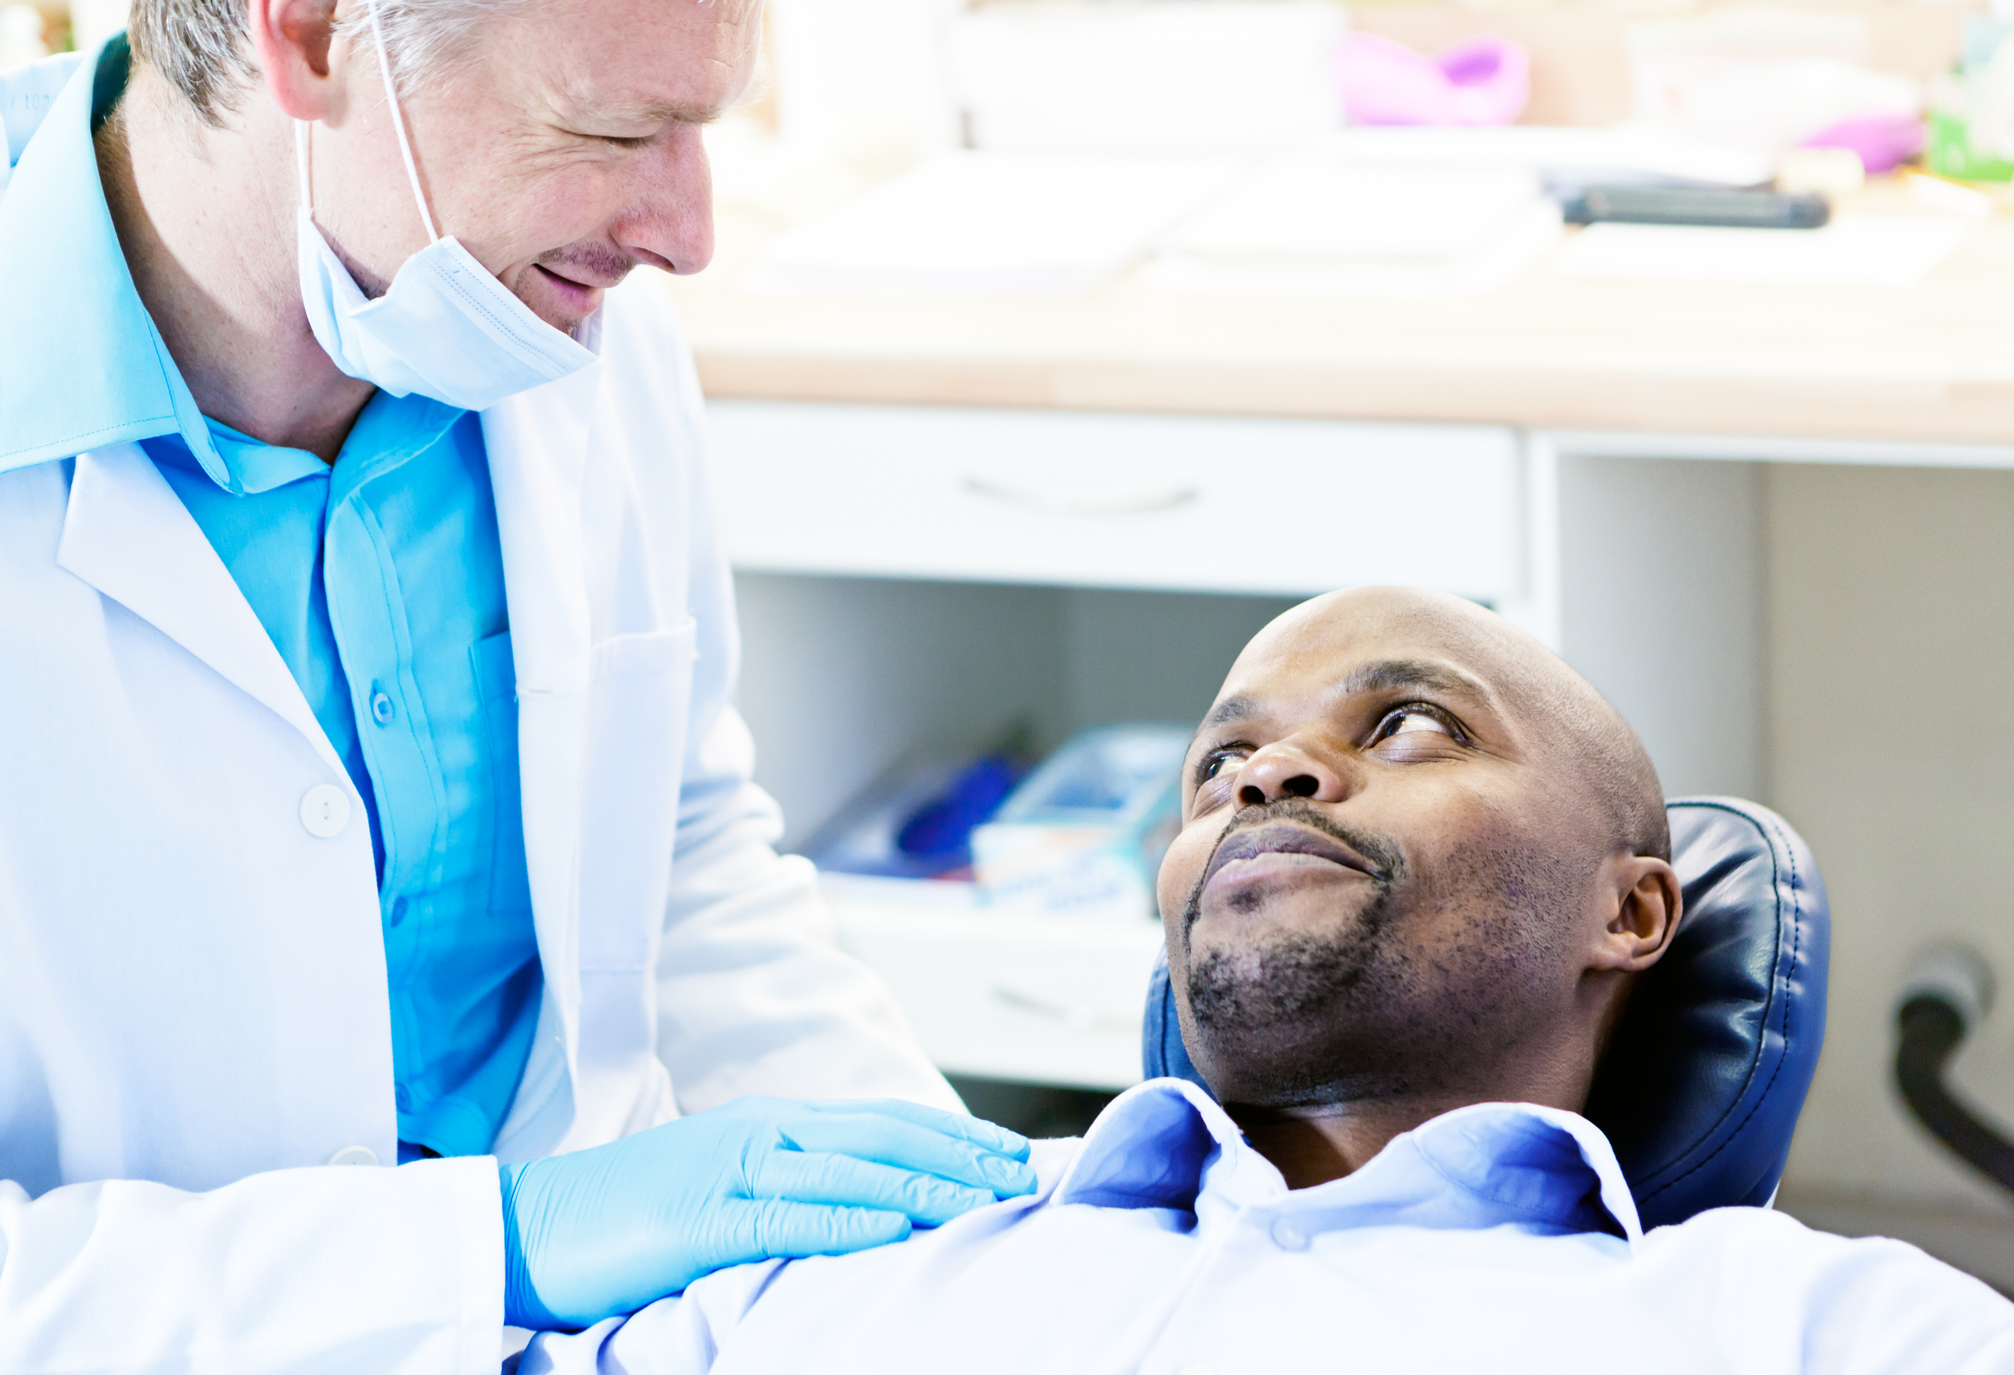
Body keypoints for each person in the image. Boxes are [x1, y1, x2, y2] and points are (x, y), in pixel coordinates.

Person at [0, 0, 1036, 1370]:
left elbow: (674, 858)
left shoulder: (540, 320)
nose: (686, 235)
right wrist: (501, 1245)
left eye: (699, 128)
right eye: (616, 129)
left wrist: (953, 1237)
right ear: (315, 29)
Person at [518, 587, 2014, 1375]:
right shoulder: (853, 1263)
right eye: (1219, 763)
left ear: (1627, 911)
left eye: (1411, 725)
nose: (1267, 775)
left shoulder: (1814, 1331)